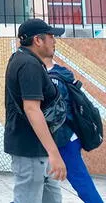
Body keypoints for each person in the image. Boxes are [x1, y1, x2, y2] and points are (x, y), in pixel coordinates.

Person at [5, 18, 67, 203]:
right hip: (30, 148)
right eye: (50, 36)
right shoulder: (29, 65)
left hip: (38, 149)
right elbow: (32, 109)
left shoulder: (23, 59)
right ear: (37, 40)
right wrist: (54, 153)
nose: (54, 41)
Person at [43, 57, 104, 203]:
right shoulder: (61, 72)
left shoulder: (51, 79)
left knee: (82, 184)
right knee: (35, 183)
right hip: (67, 137)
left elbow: (55, 115)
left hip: (64, 139)